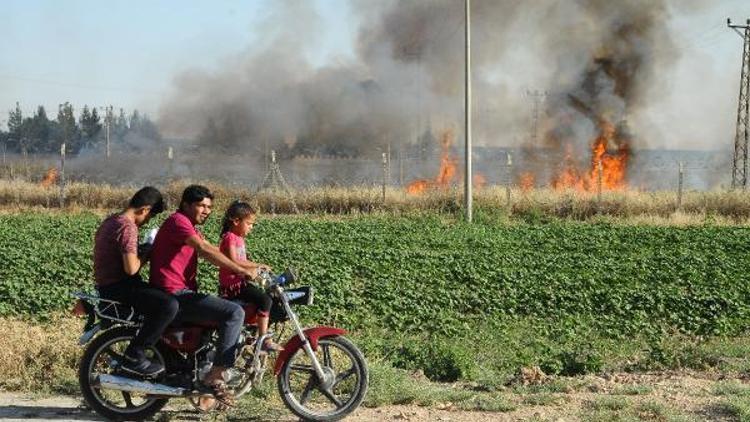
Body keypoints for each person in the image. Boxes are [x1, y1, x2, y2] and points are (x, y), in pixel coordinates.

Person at [149, 185, 254, 401]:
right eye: (201, 205)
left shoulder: (190, 225)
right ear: (186, 205)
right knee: (233, 313)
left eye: (209, 207)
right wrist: (239, 270)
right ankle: (215, 376)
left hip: (181, 292)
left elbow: (211, 248)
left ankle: (202, 368)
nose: (206, 210)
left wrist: (244, 266)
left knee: (218, 312)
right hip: (174, 294)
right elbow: (203, 249)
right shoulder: (179, 222)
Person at [93, 186, 179, 377]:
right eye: (149, 216)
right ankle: (135, 355)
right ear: (145, 209)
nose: (147, 221)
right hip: (120, 287)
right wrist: (149, 249)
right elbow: (131, 268)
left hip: (107, 285)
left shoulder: (111, 220)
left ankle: (165, 359)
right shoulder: (128, 227)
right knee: (169, 305)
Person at [218, 201, 283, 352]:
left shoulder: (239, 238)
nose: (251, 227)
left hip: (241, 283)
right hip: (233, 286)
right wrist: (257, 266)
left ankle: (254, 332)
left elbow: (244, 260)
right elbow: (234, 260)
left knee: (268, 299)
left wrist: (258, 266)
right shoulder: (229, 237)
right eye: (249, 223)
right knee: (265, 299)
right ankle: (264, 339)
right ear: (236, 221)